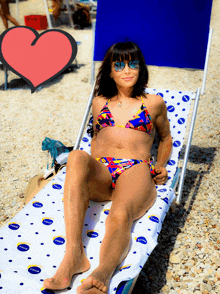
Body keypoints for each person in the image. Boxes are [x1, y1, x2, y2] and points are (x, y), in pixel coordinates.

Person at [43, 42, 173, 293]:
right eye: (119, 64)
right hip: (102, 171)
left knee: (120, 213)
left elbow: (166, 138)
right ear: (110, 71)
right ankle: (73, 256)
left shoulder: (154, 102)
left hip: (135, 169)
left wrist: (160, 164)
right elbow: (95, 139)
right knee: (77, 156)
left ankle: (102, 273)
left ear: (141, 68)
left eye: (133, 63)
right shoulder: (99, 101)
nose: (127, 70)